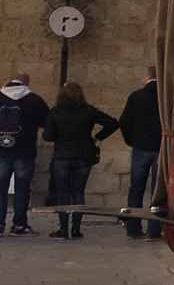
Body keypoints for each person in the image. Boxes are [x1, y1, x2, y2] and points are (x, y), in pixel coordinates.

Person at [43, 82, 117, 240]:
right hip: (84, 155)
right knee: (78, 192)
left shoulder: (55, 111)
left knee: (62, 193)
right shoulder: (88, 111)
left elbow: (48, 136)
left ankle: (63, 229)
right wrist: (97, 138)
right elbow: (113, 123)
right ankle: (76, 229)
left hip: (62, 155)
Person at [0, 74, 50, 235]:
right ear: (26, 83)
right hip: (25, 151)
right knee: (22, 189)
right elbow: (47, 122)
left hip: (1, 151)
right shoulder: (34, 99)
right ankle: (19, 225)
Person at [118, 70, 161, 239]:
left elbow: (124, 121)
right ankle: (154, 229)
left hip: (141, 147)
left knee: (136, 189)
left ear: (146, 78)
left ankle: (133, 228)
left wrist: (131, 140)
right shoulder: (167, 97)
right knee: (158, 191)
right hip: (161, 148)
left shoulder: (136, 96)